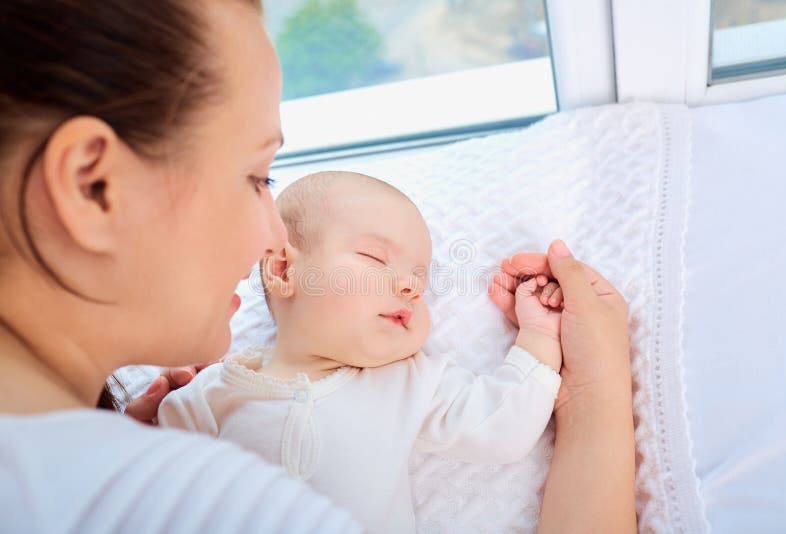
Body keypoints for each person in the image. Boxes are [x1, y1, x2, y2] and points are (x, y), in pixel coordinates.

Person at [0, 1, 635, 532]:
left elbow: (497, 422)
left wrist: (560, 358)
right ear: (93, 187)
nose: (270, 233)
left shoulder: (404, 384)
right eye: (256, 177)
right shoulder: (202, 481)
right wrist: (601, 390)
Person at [157, 170, 565, 532]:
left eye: (419, 280)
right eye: (375, 258)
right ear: (283, 270)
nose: (410, 286)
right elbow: (149, 494)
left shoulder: (407, 383)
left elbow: (500, 428)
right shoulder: (210, 395)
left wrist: (541, 333)